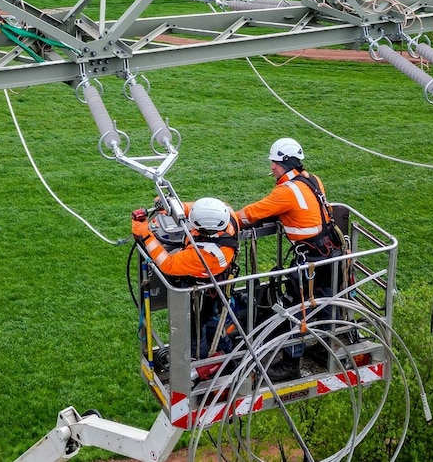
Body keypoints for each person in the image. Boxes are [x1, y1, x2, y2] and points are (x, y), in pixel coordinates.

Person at [236, 137, 343, 381]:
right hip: (330, 253)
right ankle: (325, 349)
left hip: (310, 261)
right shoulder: (313, 179)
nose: (271, 167)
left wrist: (226, 221)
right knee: (325, 300)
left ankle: (291, 363)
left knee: (294, 309)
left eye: (274, 162)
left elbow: (252, 213)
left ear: (285, 162)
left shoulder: (286, 192)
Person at [132, 197, 240, 363]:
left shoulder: (206, 254)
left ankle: (199, 363)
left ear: (204, 230)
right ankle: (225, 353)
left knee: (194, 330)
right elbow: (196, 209)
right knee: (212, 319)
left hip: (200, 294)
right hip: (215, 287)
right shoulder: (227, 215)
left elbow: (168, 264)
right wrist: (174, 207)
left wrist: (145, 235)